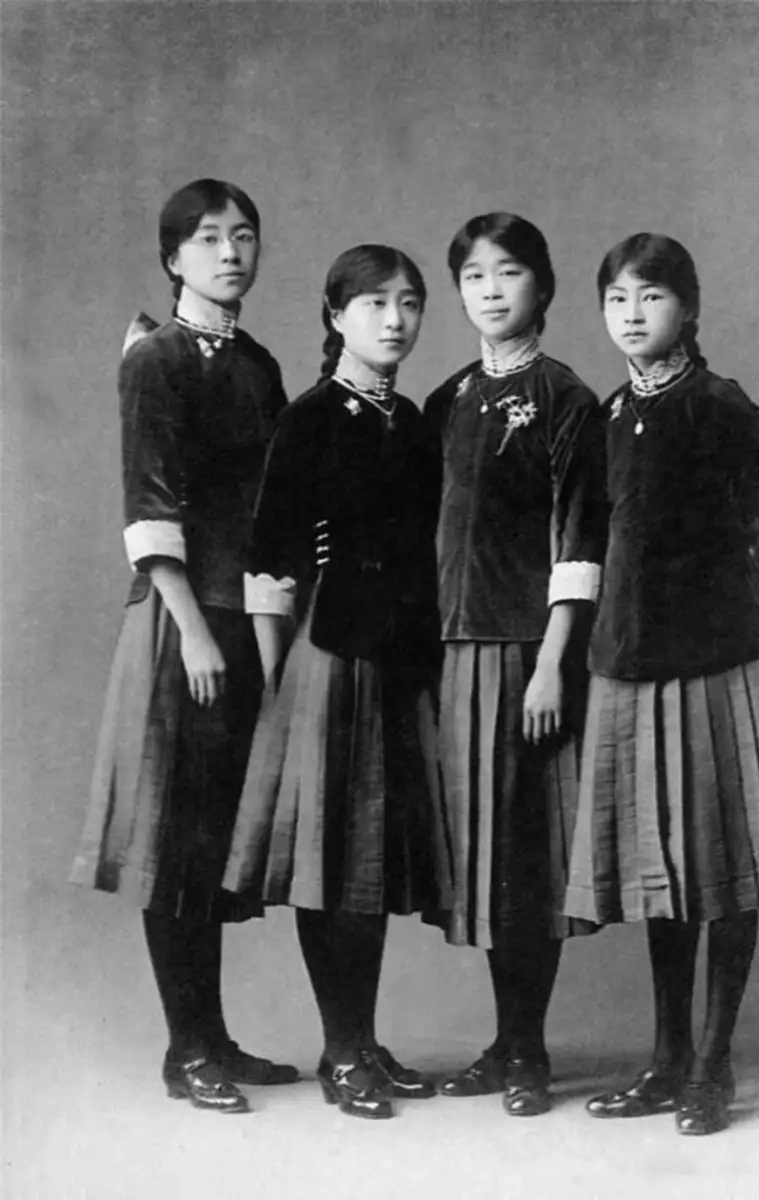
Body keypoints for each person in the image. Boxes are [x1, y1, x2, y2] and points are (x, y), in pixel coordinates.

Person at [564, 232, 759, 1136]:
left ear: (689, 309)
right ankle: (667, 1059)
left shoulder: (719, 409)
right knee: (661, 875)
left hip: (719, 670)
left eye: (650, 297)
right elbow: (594, 547)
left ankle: (712, 1067)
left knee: (723, 874)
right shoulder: (607, 415)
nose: (632, 315)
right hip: (630, 674)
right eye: (616, 300)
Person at [70, 179, 299, 1114]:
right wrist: (195, 629)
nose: (230, 253)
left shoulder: (258, 365)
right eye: (208, 240)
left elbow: (274, 514)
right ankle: (185, 1051)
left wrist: (268, 633)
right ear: (173, 258)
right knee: (176, 834)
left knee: (213, 837)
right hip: (180, 626)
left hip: (241, 621)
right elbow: (150, 501)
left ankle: (214, 1040)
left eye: (244, 236)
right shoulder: (154, 360)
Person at [223, 245, 450, 1121]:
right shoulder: (311, 419)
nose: (394, 320)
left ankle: (360, 1040)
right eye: (374, 304)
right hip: (326, 659)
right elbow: (271, 554)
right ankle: (342, 1047)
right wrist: (284, 678)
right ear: (334, 316)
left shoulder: (418, 426)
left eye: (409, 303)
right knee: (332, 863)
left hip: (400, 667)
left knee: (376, 861)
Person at [423, 213, 608, 1117]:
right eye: (472, 277)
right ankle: (503, 1043)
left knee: (527, 855)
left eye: (508, 273)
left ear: (544, 286)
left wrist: (551, 663)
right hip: (454, 655)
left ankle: (527, 1050)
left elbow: (581, 540)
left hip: (528, 656)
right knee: (487, 858)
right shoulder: (447, 399)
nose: (489, 291)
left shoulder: (567, 398)